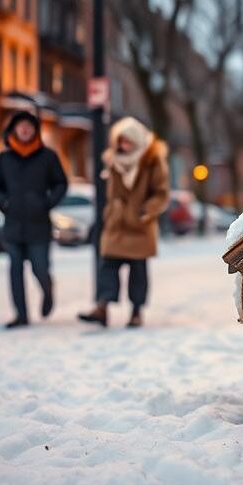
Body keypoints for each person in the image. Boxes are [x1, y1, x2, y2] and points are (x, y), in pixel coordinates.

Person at [78, 117, 170, 328]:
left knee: (138, 271)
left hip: (139, 223)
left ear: (136, 140)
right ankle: (102, 307)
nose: (123, 145)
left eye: (127, 141)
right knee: (107, 265)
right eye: (120, 141)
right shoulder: (112, 160)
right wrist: (111, 211)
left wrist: (146, 210)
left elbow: (161, 193)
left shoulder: (152, 161)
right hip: (117, 223)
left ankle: (136, 312)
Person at [0, 110, 68, 329]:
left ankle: (48, 290)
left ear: (35, 131)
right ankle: (21, 315)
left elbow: (61, 183)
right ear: (14, 130)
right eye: (20, 126)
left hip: (39, 226)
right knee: (15, 271)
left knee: (39, 268)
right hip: (13, 225)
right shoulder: (5, 159)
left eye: (29, 126)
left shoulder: (48, 157)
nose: (24, 130)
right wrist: (3, 202)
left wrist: (46, 203)